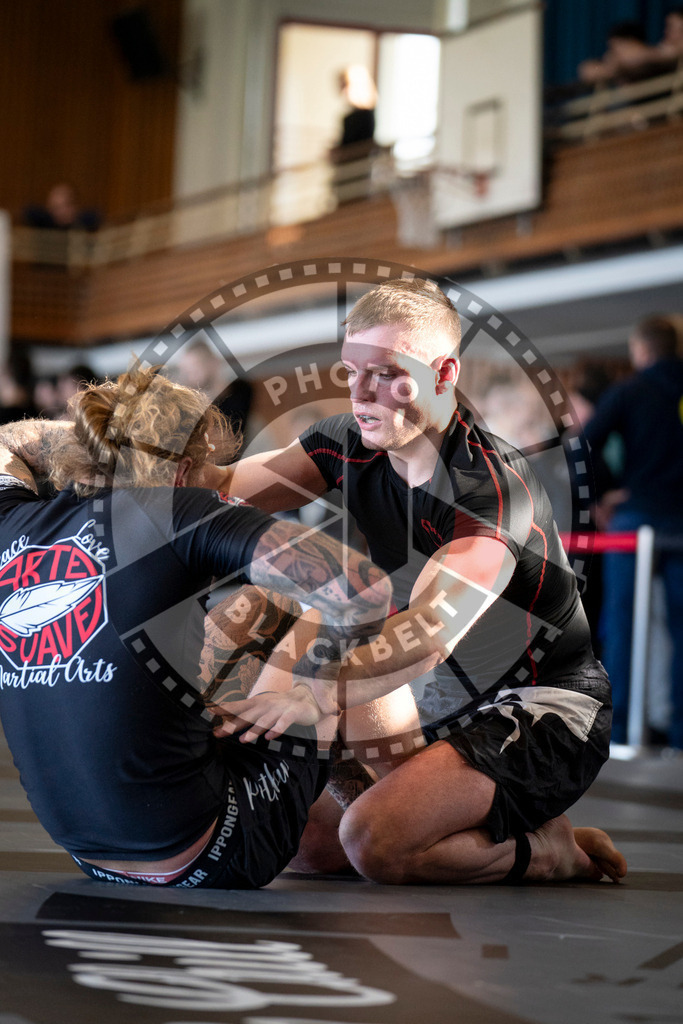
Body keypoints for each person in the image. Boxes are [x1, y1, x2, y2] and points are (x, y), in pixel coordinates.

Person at [208, 278, 627, 886]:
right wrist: (90, 468)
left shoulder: (491, 490)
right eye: (351, 371)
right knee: (305, 841)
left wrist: (315, 694)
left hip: (545, 707)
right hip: (438, 699)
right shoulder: (346, 444)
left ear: (443, 372)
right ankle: (479, 824)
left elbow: (429, 632)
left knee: (374, 843)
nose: (360, 393)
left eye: (383, 373)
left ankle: (550, 851)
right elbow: (217, 490)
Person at [0, 366, 391, 889]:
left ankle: (335, 807)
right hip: (212, 852)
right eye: (215, 470)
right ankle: (385, 816)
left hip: (90, 858)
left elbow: (7, 438)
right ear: (182, 472)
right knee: (302, 612)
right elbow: (365, 587)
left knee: (242, 614)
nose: (224, 483)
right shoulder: (182, 509)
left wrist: (104, 435)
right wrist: (310, 691)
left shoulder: (11, 521)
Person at [584, 315, 683, 750]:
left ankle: (618, 731)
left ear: (641, 350)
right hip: (681, 520)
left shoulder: (630, 390)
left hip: (636, 516)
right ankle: (680, 734)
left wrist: (607, 492)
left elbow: (583, 445)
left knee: (621, 624)